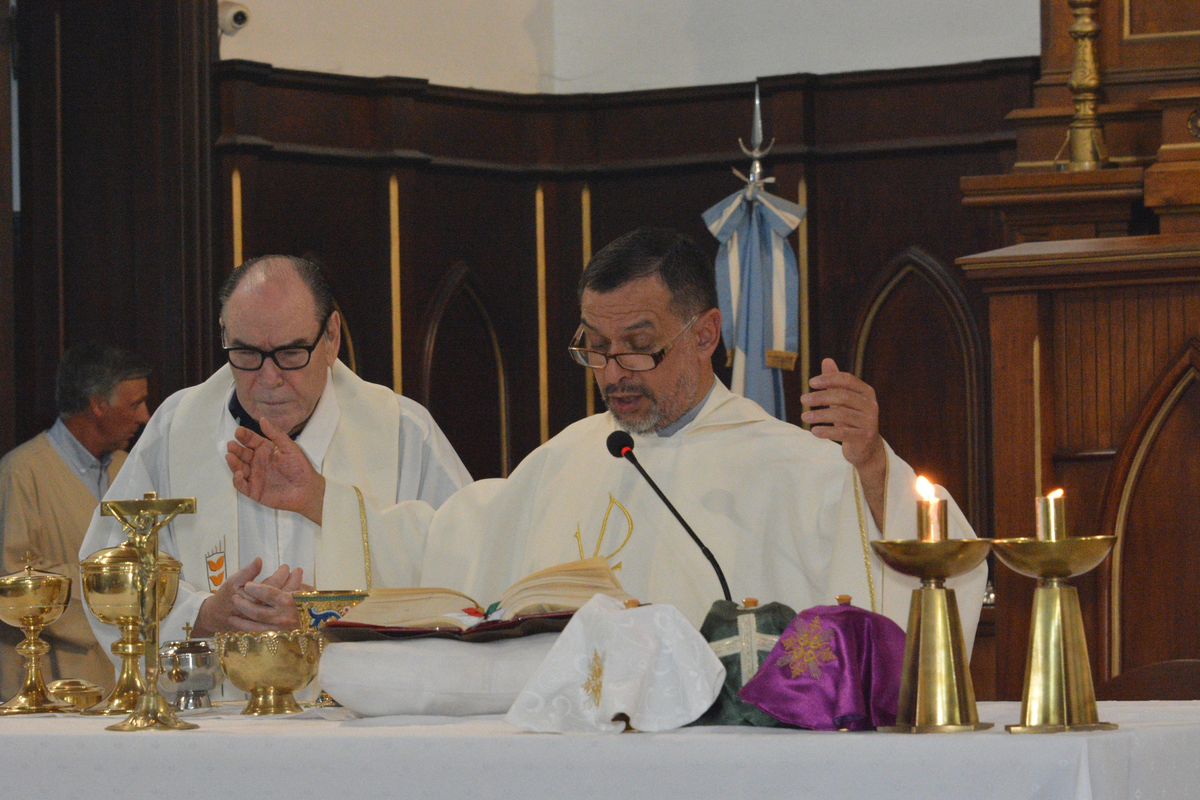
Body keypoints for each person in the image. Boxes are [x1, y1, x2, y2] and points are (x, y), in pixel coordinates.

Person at [226, 231, 986, 643]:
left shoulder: (790, 459)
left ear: (707, 334)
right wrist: (321, 498)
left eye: (638, 345)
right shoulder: (575, 454)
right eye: (594, 346)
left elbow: (925, 575)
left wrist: (873, 468)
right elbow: (455, 544)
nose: (614, 370)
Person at [79, 256, 471, 662]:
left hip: (357, 715)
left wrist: (325, 507)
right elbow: (108, 569)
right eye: (246, 353)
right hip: (215, 714)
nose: (268, 378)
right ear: (224, 334)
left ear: (331, 337)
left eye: (290, 352)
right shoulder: (176, 429)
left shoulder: (402, 431)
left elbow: (468, 563)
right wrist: (202, 615)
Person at [0, 342, 151, 697]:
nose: (145, 416)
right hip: (52, 681)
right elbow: (10, 578)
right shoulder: (21, 473)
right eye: (135, 403)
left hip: (126, 677)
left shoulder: (127, 469)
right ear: (98, 404)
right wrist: (113, 589)